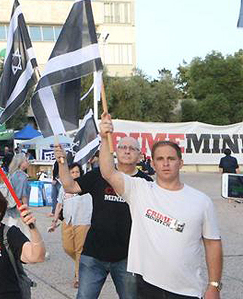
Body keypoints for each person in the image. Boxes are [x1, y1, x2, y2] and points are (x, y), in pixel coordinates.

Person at [97, 114, 223, 299]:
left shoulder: (202, 201)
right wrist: (104, 138)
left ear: (180, 163)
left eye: (171, 159)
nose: (165, 163)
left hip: (186, 290)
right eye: (160, 159)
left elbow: (213, 243)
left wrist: (214, 285)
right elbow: (108, 172)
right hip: (145, 286)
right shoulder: (139, 189)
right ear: (153, 164)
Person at [54, 136, 153, 299]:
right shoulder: (99, 174)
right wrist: (62, 162)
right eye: (122, 147)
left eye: (132, 148)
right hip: (94, 254)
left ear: (139, 155)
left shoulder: (146, 182)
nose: (127, 151)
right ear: (116, 152)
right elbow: (70, 186)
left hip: (128, 257)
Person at [49, 163, 92, 288]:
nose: (75, 174)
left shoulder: (87, 187)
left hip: (83, 221)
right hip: (68, 221)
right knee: (68, 248)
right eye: (72, 172)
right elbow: (59, 204)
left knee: (79, 249)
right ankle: (82, 263)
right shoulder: (64, 187)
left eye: (77, 172)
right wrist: (54, 221)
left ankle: (79, 277)